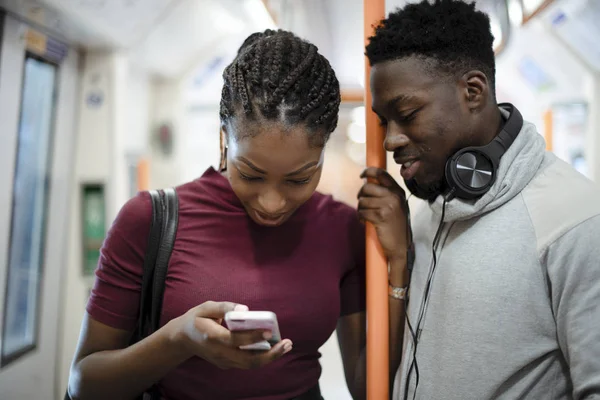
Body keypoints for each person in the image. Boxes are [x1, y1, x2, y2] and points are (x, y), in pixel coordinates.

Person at [67, 29, 406, 400]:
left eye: (299, 179)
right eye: (251, 174)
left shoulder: (343, 228)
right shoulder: (148, 220)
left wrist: (400, 264)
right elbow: (84, 384)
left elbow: (368, 390)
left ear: (324, 152)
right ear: (223, 141)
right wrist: (179, 340)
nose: (272, 203)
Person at [364, 0, 600, 399]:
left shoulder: (575, 221)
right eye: (384, 121)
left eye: (407, 113)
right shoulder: (427, 219)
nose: (390, 140)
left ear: (473, 91)